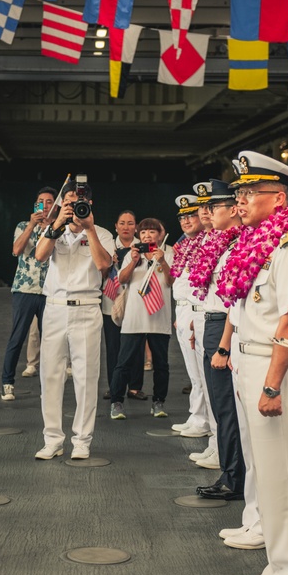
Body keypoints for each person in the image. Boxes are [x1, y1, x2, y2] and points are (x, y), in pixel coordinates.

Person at [221, 152, 288, 575]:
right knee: (268, 477)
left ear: (278, 198)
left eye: (248, 193)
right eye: (238, 193)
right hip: (251, 360)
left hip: (274, 366)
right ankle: (279, 565)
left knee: (284, 479)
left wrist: (272, 385)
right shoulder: (261, 240)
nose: (240, 200)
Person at [33, 180, 115, 460]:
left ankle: (82, 440)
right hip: (54, 308)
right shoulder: (54, 230)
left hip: (87, 308)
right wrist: (57, 224)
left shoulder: (102, 233)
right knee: (50, 377)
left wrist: (88, 228)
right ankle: (52, 439)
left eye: (77, 203)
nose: (73, 208)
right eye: (67, 203)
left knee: (86, 378)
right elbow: (40, 256)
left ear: (88, 204)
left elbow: (104, 265)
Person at [189, 179, 246, 500]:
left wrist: (223, 344)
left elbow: (233, 301)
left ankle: (234, 476)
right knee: (220, 404)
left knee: (227, 406)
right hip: (212, 321)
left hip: (224, 325)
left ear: (232, 210)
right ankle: (230, 470)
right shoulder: (221, 241)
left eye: (215, 206)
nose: (208, 212)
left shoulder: (240, 243)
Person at [108, 218, 172, 420]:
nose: (147, 236)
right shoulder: (131, 254)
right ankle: (116, 402)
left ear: (160, 235)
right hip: (134, 317)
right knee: (123, 362)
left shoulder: (168, 253)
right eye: (143, 233)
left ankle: (158, 402)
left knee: (161, 364)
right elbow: (122, 280)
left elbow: (171, 282)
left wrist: (162, 261)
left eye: (152, 232)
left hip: (159, 317)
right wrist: (134, 261)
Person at [0, 187, 55, 401]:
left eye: (49, 201)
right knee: (18, 336)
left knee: (49, 340)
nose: (45, 205)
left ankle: (48, 386)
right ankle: (7, 383)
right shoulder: (23, 226)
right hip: (24, 289)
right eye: (41, 201)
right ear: (35, 206)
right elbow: (16, 250)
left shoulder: (59, 229)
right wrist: (32, 225)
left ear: (55, 206)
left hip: (50, 291)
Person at [168, 194, 214, 441]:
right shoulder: (184, 243)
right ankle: (196, 415)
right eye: (182, 217)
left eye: (191, 215)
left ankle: (204, 420)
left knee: (202, 371)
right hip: (184, 308)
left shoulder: (208, 240)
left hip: (199, 310)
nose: (186, 221)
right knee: (193, 372)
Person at [102, 210, 141, 400]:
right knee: (113, 346)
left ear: (136, 227)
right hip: (112, 299)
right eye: (122, 223)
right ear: (116, 226)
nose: (126, 227)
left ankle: (135, 386)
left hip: (136, 299)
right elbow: (98, 269)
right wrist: (109, 263)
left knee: (136, 344)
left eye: (130, 223)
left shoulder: (143, 245)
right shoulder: (107, 245)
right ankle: (113, 386)